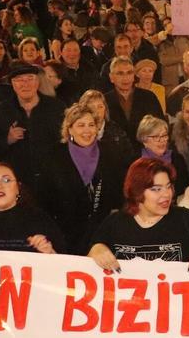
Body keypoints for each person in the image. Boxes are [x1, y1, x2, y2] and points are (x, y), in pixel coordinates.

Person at [87, 158, 189, 274]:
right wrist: (96, 250)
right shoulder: (115, 222)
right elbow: (84, 265)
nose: (167, 194)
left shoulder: (186, 219)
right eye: (156, 189)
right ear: (137, 191)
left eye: (168, 186)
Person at [40, 103, 125, 255]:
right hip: (65, 239)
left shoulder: (110, 152)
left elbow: (119, 193)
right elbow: (45, 200)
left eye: (91, 125)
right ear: (70, 128)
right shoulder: (53, 156)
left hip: (103, 238)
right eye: (81, 125)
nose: (87, 130)